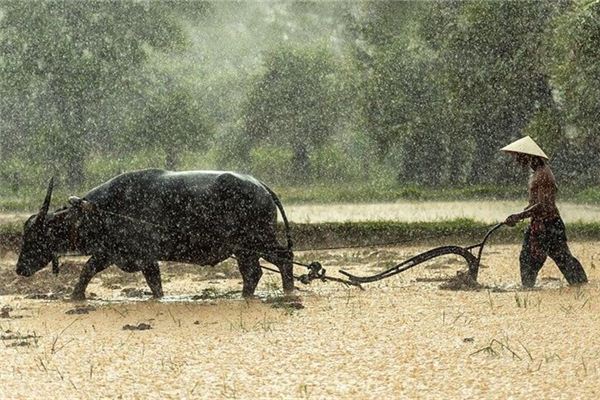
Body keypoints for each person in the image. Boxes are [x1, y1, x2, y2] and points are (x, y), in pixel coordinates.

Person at [501, 136, 587, 287]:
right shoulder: (536, 173)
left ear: (528, 156)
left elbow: (543, 205)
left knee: (538, 258)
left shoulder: (543, 175)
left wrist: (519, 216)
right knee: (559, 258)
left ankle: (527, 290)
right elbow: (534, 204)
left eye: (518, 157)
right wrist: (519, 215)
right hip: (543, 224)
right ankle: (581, 285)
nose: (516, 161)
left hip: (548, 225)